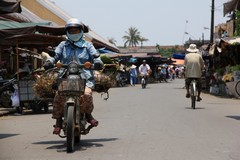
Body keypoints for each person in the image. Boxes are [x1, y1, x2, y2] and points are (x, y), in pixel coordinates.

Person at [43, 18, 103, 135]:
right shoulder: (62, 45)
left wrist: (98, 61)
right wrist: (49, 61)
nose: (74, 33)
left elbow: (96, 56)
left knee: (86, 94)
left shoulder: (88, 46)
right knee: (58, 96)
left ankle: (88, 115)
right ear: (67, 32)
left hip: (84, 78)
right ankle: (58, 121)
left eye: (76, 30)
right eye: (71, 31)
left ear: (81, 31)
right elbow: (55, 55)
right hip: (65, 76)